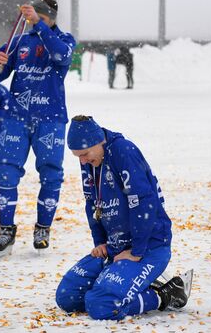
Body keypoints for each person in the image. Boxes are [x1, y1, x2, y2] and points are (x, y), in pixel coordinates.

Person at [55, 116, 192, 320]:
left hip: (148, 248)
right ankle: (121, 283)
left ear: (98, 140)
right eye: (77, 156)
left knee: (102, 306)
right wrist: (100, 242)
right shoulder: (91, 160)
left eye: (84, 154)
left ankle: (166, 295)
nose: (82, 161)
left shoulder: (123, 151)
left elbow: (143, 202)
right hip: (114, 249)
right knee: (67, 297)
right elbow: (92, 203)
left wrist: (136, 251)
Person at [0, 0, 76, 257]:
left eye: (38, 16)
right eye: (30, 16)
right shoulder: (19, 41)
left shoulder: (64, 40)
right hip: (17, 118)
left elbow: (61, 56)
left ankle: (43, 228)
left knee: (50, 174)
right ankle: (5, 230)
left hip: (51, 119)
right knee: (7, 173)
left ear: (49, 17)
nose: (31, 20)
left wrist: (39, 25)